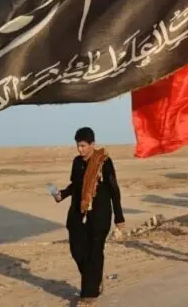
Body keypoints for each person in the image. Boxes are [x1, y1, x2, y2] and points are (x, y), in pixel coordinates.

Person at [53, 127, 125, 305]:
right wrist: (62, 194)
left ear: (93, 144)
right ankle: (95, 279)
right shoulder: (77, 162)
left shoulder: (103, 162)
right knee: (77, 250)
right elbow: (75, 185)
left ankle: (89, 294)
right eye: (78, 146)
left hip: (99, 214)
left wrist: (119, 217)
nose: (80, 149)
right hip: (78, 212)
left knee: (94, 252)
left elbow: (114, 189)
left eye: (83, 146)